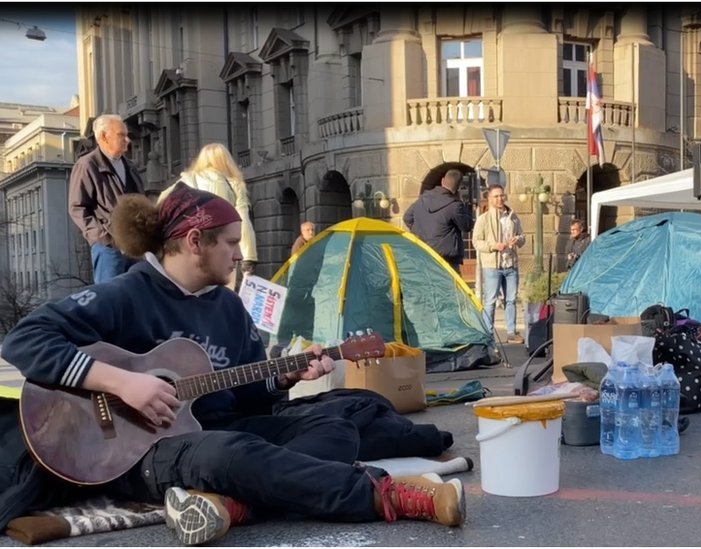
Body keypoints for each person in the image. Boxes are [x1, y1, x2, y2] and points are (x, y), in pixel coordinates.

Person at [0, 184, 464, 545]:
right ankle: (386, 495)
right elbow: (24, 339)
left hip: (217, 427)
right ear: (195, 240)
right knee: (230, 454)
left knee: (337, 428)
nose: (240, 254)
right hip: (134, 451)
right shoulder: (124, 294)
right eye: (230, 242)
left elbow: (245, 396)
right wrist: (123, 383)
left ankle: (230, 505)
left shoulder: (228, 306)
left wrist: (283, 377)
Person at [158, 143, 258, 290]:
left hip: (189, 247)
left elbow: (161, 202)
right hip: (222, 250)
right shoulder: (234, 184)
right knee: (221, 298)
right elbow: (243, 223)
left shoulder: (186, 181)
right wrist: (249, 258)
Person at [69, 113, 145, 283]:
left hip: (135, 246)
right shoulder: (87, 165)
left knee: (134, 298)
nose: (128, 140)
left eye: (127, 135)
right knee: (110, 299)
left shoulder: (130, 166)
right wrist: (103, 238)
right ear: (104, 136)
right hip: (110, 249)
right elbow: (77, 207)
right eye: (121, 135)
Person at [473, 184, 526, 344]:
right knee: (490, 301)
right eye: (496, 196)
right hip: (492, 266)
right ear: (489, 199)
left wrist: (518, 240)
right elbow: (476, 242)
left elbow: (522, 237)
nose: (500, 199)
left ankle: (511, 332)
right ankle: (487, 334)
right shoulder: (484, 219)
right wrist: (494, 246)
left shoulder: (513, 217)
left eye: (502, 195)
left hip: (510, 264)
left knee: (511, 300)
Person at [403, 169, 475, 273]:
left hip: (424, 253)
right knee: (450, 288)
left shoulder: (423, 199)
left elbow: (407, 218)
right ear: (458, 187)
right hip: (447, 259)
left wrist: (419, 231)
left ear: (442, 181)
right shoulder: (454, 206)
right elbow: (467, 226)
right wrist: (462, 203)